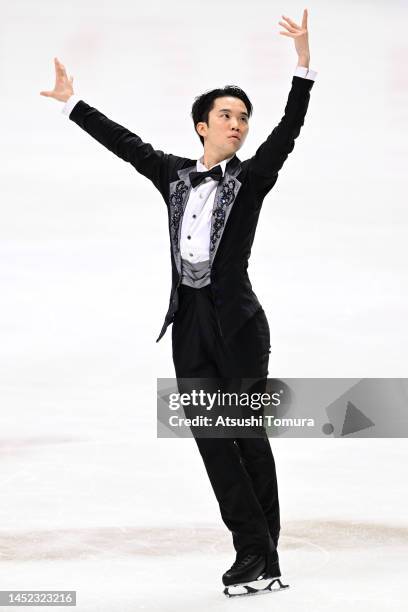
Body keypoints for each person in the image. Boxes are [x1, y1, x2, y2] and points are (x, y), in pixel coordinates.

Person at [40, 8, 317, 596]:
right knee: (212, 438)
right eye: (226, 116)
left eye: (243, 117)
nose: (238, 125)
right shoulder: (171, 174)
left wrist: (303, 67)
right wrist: (72, 104)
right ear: (201, 126)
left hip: (239, 325)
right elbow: (126, 144)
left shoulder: (251, 178)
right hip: (187, 324)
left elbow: (289, 132)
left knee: (245, 436)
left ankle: (259, 554)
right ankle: (258, 552)